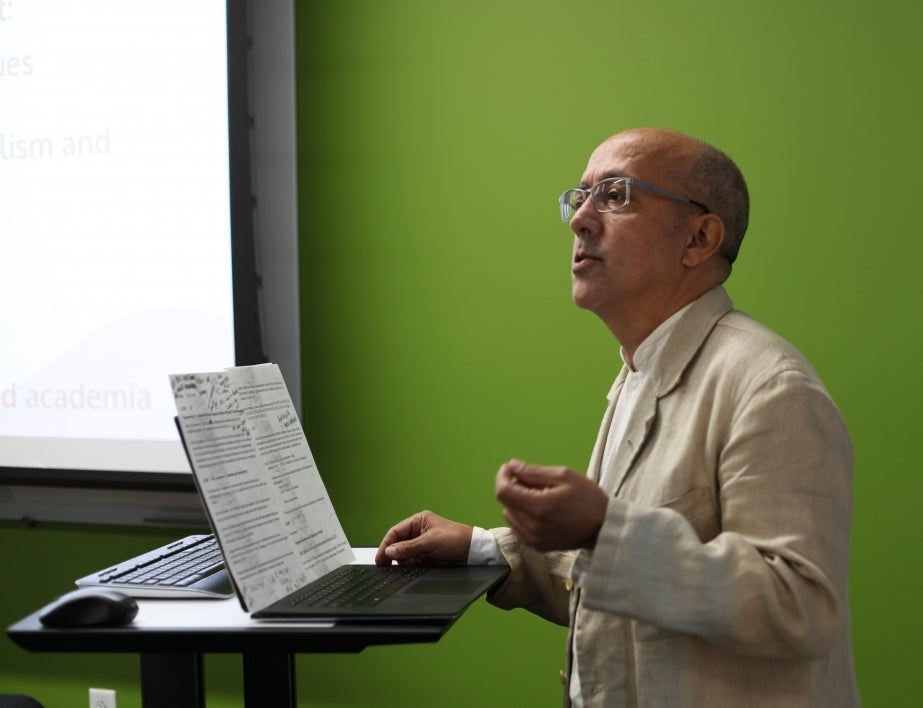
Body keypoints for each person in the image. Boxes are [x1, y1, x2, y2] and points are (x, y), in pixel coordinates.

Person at [375, 128, 860, 707]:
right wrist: (483, 549)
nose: (580, 219)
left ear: (700, 238)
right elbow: (630, 582)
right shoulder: (642, 371)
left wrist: (603, 528)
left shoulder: (769, 387)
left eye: (615, 194)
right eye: (579, 198)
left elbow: (797, 605)